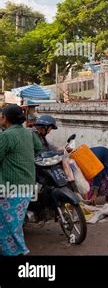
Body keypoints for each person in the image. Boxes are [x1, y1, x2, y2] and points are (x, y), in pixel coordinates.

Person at [0, 104, 43, 256]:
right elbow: (39, 147)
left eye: (1, 115)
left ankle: (17, 252)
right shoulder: (28, 133)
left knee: (8, 225)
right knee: (13, 224)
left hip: (10, 187)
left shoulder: (6, 135)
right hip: (27, 185)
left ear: (5, 118)